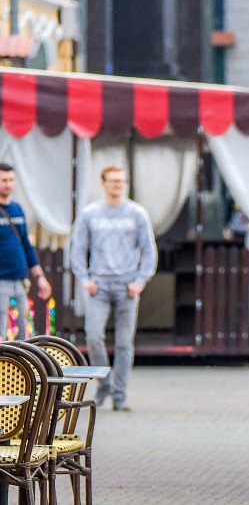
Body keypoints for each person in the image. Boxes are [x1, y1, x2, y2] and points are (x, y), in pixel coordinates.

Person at [71, 165, 157, 412]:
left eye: (122, 181)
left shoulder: (136, 213)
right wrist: (84, 278)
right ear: (103, 183)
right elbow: (78, 249)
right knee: (94, 336)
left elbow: (149, 250)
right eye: (114, 181)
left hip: (127, 286)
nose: (118, 185)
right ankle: (104, 384)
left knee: (123, 343)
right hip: (99, 285)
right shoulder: (91, 213)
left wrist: (140, 281)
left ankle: (120, 395)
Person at [0, 163, 52, 341]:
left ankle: (20, 368)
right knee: (2, 332)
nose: (8, 184)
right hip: (1, 281)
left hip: (21, 280)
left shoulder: (17, 209)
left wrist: (39, 277)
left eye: (11, 180)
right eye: (3, 180)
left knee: (23, 333)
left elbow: (26, 245)